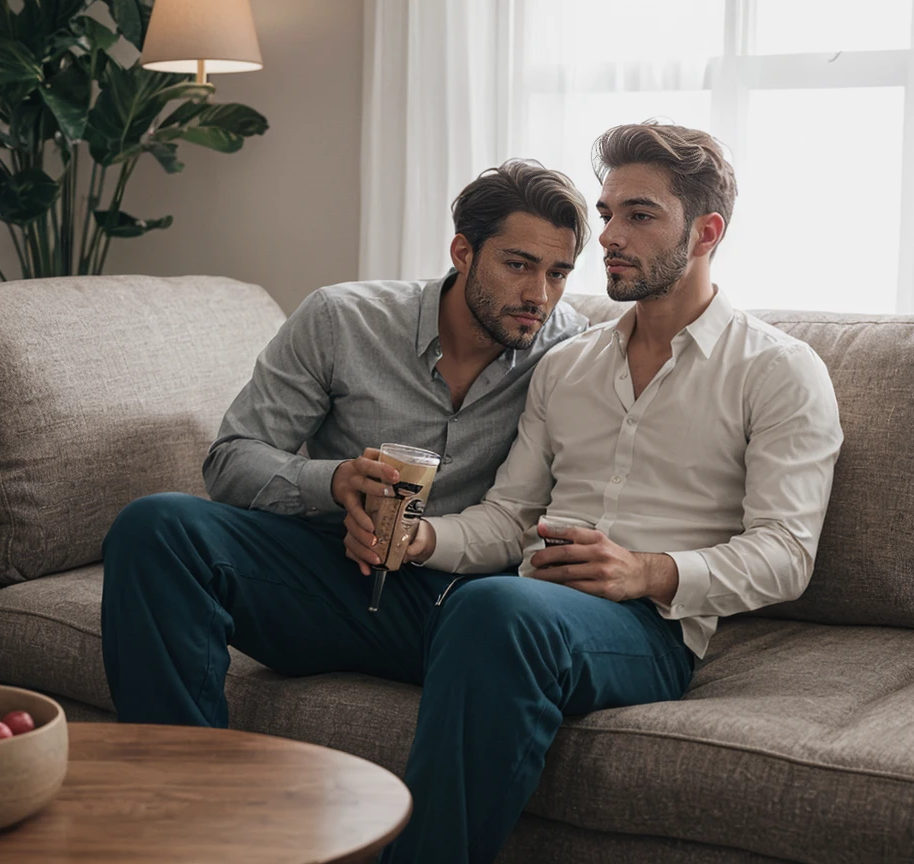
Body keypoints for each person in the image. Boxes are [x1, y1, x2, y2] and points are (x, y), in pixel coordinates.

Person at [342, 122, 844, 863]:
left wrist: (647, 571)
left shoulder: (778, 371)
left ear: (705, 232)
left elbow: (785, 555)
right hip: (520, 606)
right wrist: (424, 539)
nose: (608, 234)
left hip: (648, 631)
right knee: (481, 604)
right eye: (607, 213)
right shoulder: (565, 365)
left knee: (491, 608)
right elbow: (511, 518)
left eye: (639, 215)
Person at [99, 159, 588, 724]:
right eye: (518, 265)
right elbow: (231, 460)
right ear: (462, 252)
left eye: (558, 273)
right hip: (331, 581)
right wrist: (334, 481)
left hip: (467, 604)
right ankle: (188, 784)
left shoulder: (572, 351)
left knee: (497, 612)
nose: (538, 295)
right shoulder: (342, 320)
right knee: (156, 526)